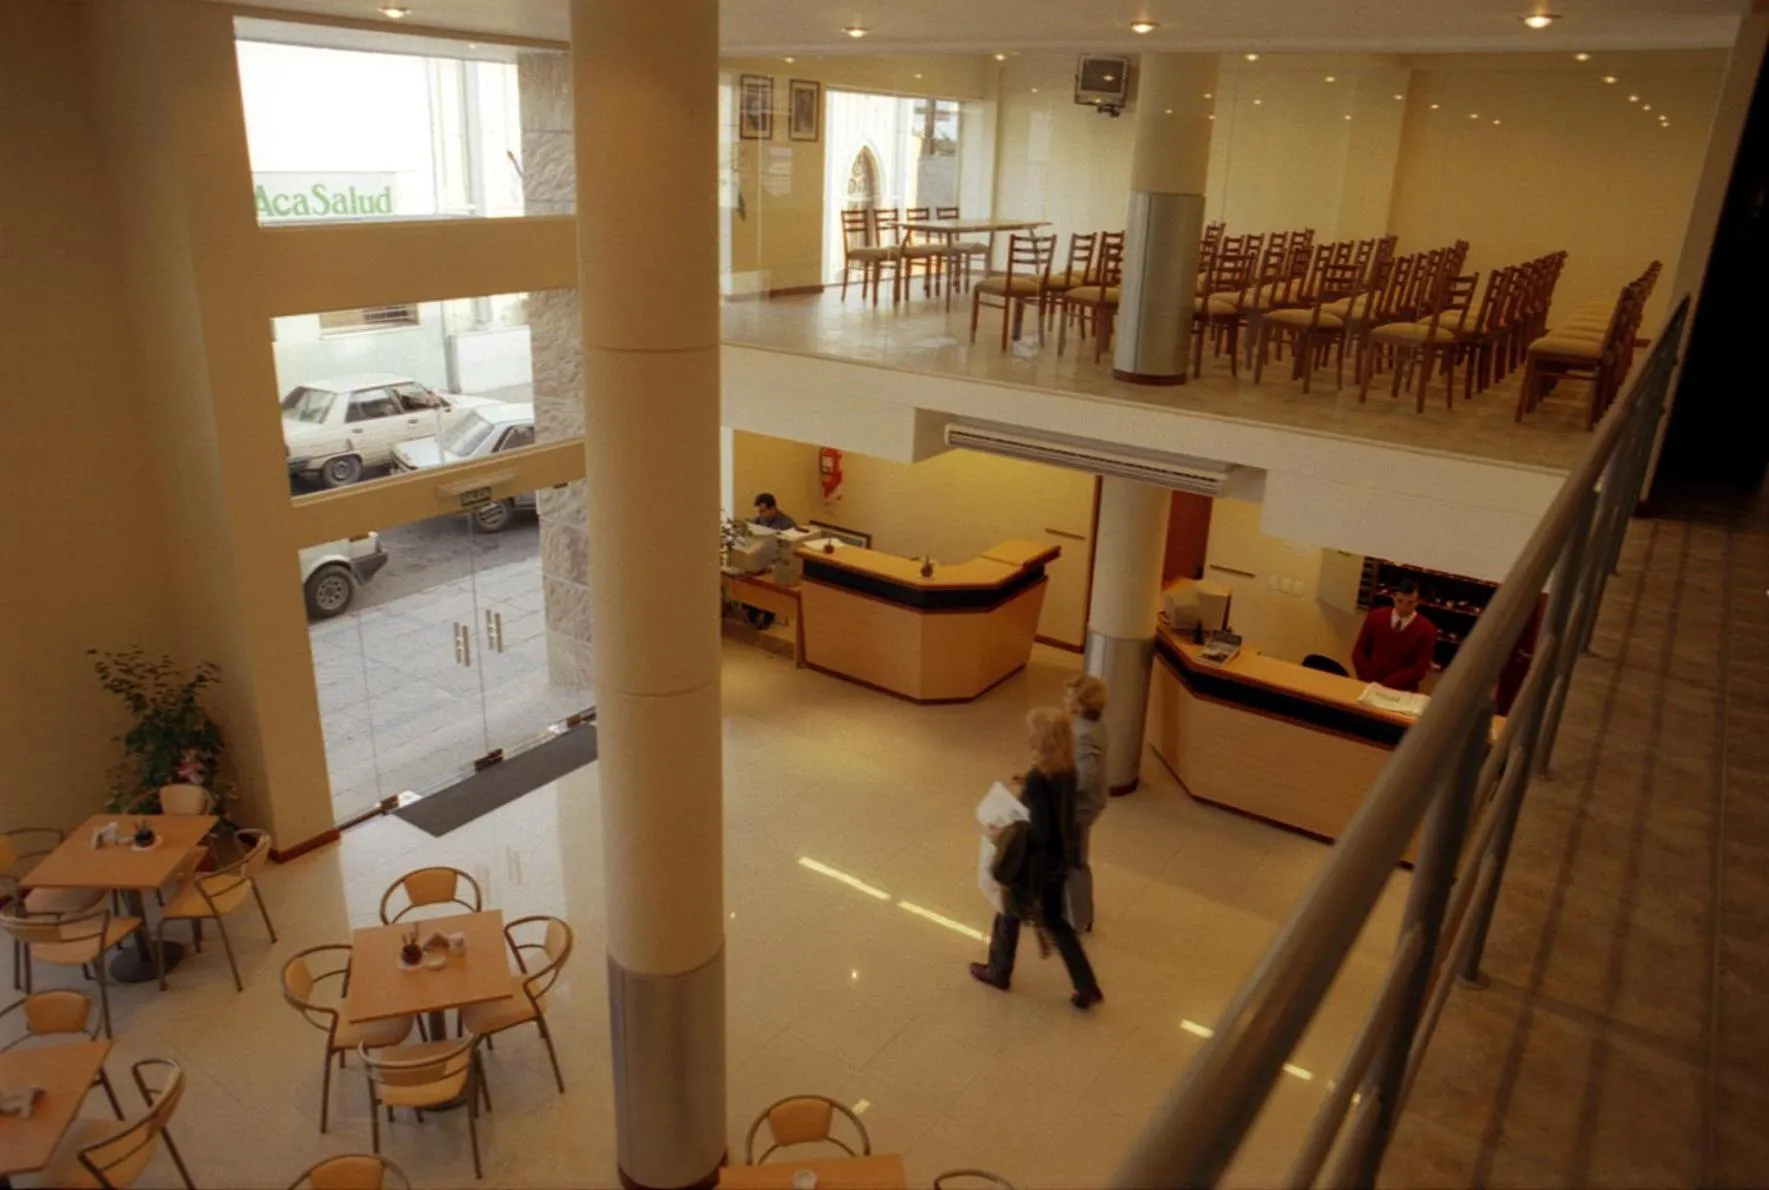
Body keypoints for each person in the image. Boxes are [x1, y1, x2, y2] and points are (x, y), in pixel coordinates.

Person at [970, 708, 1104, 1010]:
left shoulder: (1038, 779)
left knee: (1007, 910)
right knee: (1056, 921)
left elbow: (1040, 832)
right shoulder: (1066, 769)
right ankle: (1086, 986)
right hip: (1059, 862)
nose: (1028, 736)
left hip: (1034, 866)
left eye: (1033, 731)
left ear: (1044, 739)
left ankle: (998, 971)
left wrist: (1005, 828)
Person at [1063, 675, 1109, 933]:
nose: (1065, 699)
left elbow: (1083, 778)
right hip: (1089, 804)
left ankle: (1077, 918)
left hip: (1080, 808)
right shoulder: (1093, 725)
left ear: (1081, 703)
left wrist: (1055, 777)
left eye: (1069, 695)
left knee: (1075, 861)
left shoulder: (1085, 734)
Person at [1352, 576, 1438, 692]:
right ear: (1393, 597)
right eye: (1400, 601)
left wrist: (1386, 684)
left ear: (1417, 602)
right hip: (1369, 683)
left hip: (1402, 690)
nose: (1404, 607)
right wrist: (1369, 679)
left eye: (1410, 603)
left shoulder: (1427, 629)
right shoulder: (1375, 617)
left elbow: (1419, 669)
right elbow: (1359, 653)